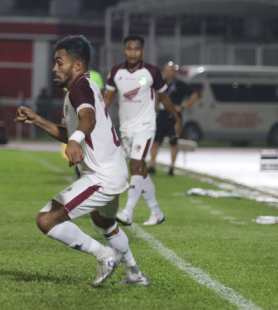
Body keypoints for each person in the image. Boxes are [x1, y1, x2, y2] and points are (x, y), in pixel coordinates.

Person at [15, 35, 149, 287]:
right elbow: (70, 132)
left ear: (77, 66)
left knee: (46, 219)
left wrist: (76, 141)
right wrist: (38, 120)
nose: (54, 68)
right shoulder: (81, 89)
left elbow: (89, 119)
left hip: (101, 177)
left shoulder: (80, 88)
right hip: (114, 172)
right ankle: (134, 274)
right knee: (104, 224)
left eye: (59, 62)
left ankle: (105, 256)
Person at [104, 36, 182, 226]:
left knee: (136, 165)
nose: (133, 52)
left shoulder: (151, 72)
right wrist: (93, 115)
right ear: (124, 50)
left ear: (143, 51)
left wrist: (177, 118)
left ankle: (128, 212)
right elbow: (107, 99)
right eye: (129, 49)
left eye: (136, 49)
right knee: (142, 170)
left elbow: (164, 98)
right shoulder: (116, 72)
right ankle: (156, 212)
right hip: (126, 128)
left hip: (145, 127)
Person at [148, 62, 199, 176]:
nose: (167, 73)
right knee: (155, 141)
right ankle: (152, 165)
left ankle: (172, 167)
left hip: (174, 116)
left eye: (170, 70)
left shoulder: (180, 85)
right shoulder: (161, 84)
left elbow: (194, 95)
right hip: (162, 114)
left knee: (173, 142)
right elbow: (157, 97)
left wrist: (183, 107)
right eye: (166, 70)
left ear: (175, 72)